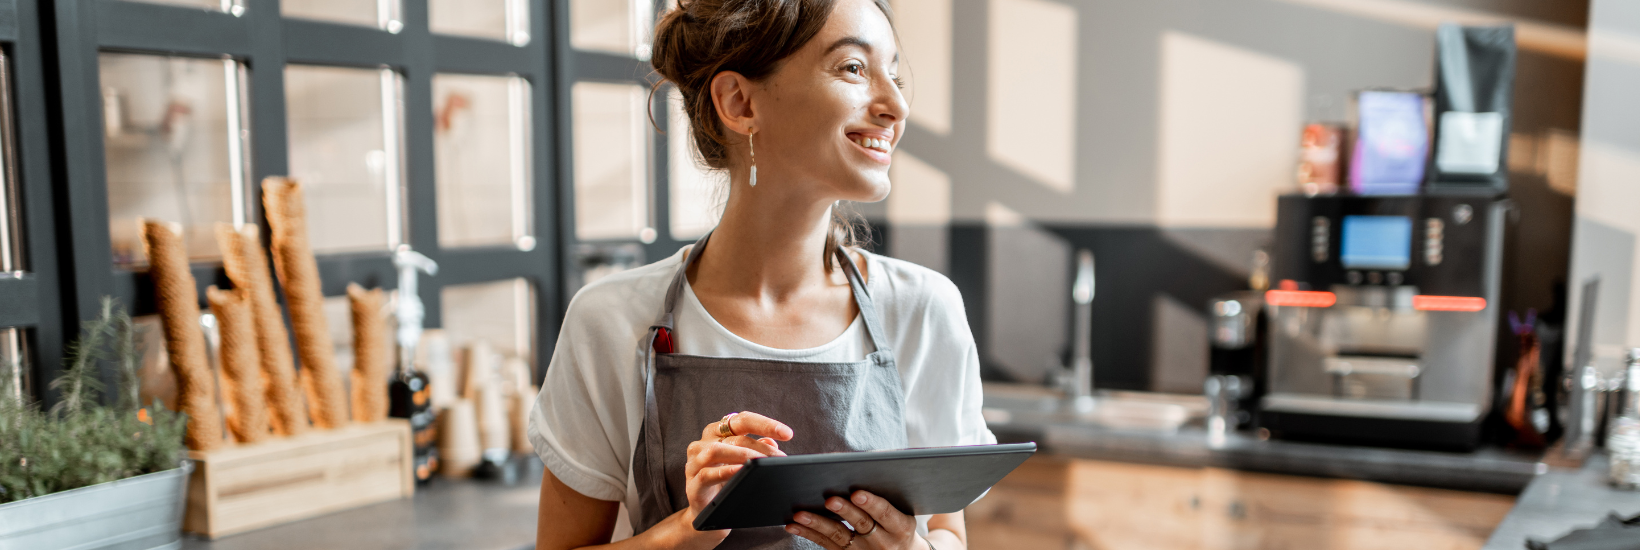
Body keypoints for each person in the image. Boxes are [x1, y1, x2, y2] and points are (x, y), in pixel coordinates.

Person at [530, 0, 994, 548]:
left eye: (893, 74)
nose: (895, 105)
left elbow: (947, 533)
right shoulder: (609, 322)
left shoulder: (922, 309)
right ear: (740, 102)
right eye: (853, 68)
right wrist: (691, 528)